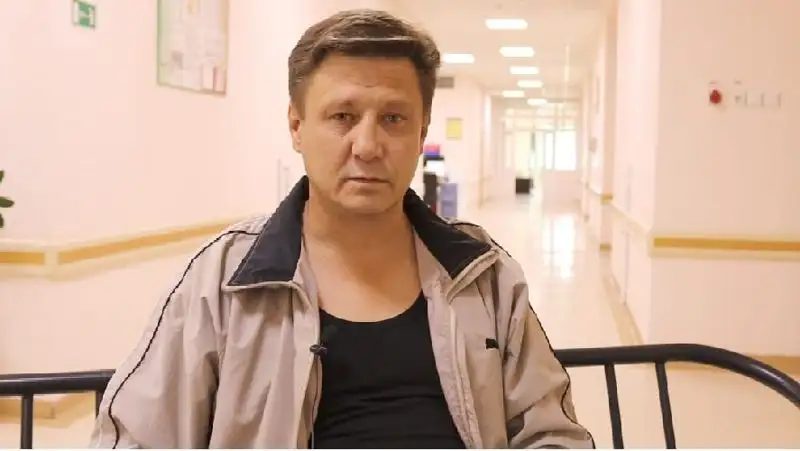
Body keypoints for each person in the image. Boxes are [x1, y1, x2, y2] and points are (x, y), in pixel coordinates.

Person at [89, 8, 594, 449]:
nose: (368, 146)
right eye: (342, 116)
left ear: (421, 133)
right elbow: (135, 437)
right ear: (296, 126)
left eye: (393, 118)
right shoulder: (223, 283)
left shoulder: (484, 276)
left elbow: (551, 434)